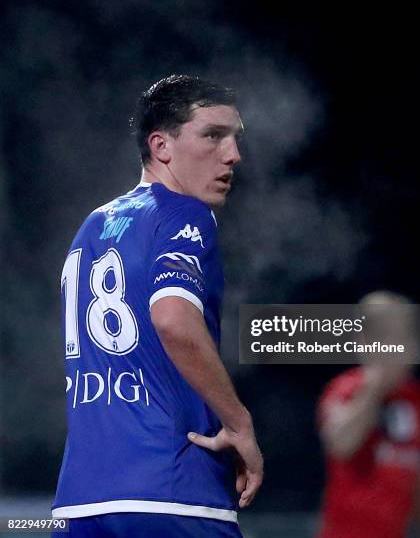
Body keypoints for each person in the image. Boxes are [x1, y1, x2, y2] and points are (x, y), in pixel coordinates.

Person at [52, 75, 263, 537]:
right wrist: (239, 422)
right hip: (173, 493)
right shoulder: (184, 214)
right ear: (161, 146)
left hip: (82, 503)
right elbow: (173, 320)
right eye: (212, 135)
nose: (233, 154)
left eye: (235, 138)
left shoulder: (91, 227)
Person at [316, 291, 420, 538]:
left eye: (410, 337)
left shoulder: (415, 397)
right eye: (395, 339)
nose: (409, 349)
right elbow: (340, 443)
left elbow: (417, 465)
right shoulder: (344, 390)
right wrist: (374, 389)